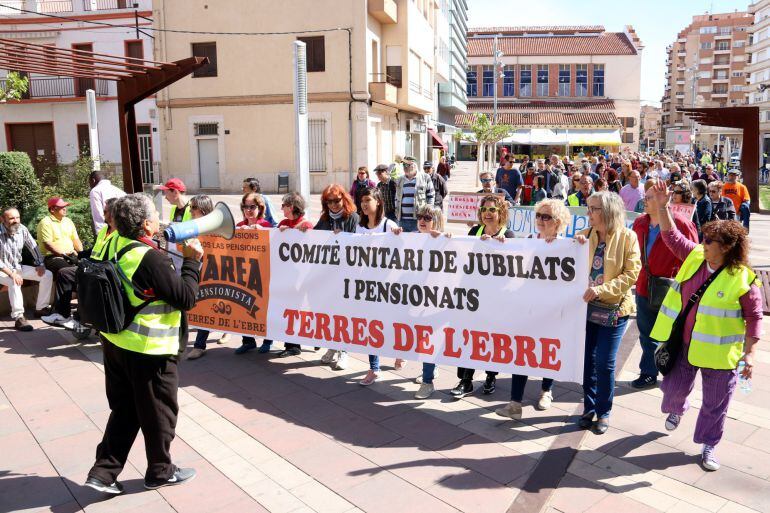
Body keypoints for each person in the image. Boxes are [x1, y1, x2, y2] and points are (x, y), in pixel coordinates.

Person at [85, 193, 201, 495]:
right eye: (155, 216)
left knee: (126, 409)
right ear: (147, 224)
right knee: (159, 412)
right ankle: (160, 472)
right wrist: (192, 262)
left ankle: (103, 473)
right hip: (149, 349)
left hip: (114, 342)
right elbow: (185, 298)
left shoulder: (111, 241)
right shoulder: (149, 257)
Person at [647, 180, 762, 472]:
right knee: (672, 392)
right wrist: (662, 207)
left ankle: (709, 444)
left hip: (720, 357)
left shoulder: (743, 278)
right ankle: (678, 408)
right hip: (684, 346)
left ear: (724, 248)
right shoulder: (697, 256)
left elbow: (754, 317)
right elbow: (672, 237)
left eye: (709, 240)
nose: (703, 243)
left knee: (715, 404)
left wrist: (750, 354)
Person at [496, 199, 570, 419]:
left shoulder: (568, 245)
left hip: (554, 309)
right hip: (528, 308)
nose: (540, 220)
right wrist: (497, 243)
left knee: (549, 350)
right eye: (538, 216)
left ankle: (546, 390)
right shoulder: (528, 240)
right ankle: (514, 403)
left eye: (546, 217)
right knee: (522, 352)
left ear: (558, 221)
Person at [575, 191, 641, 435]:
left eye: (593, 209)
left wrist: (601, 289)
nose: (588, 213)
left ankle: (604, 412)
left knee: (604, 361)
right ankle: (589, 408)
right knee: (587, 360)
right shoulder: (584, 236)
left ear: (608, 211)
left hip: (614, 309)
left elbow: (631, 274)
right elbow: (562, 257)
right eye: (588, 208)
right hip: (586, 309)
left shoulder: (628, 237)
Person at [631, 179, 698, 390]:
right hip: (644, 286)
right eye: (646, 197)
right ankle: (649, 372)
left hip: (671, 290)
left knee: (672, 336)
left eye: (649, 197)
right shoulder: (640, 222)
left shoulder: (680, 223)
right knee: (646, 333)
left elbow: (693, 257)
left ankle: (673, 373)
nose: (645, 200)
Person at [451, 194, 513, 398]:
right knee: (468, 337)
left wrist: (503, 249)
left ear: (501, 212)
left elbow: (514, 270)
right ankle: (465, 380)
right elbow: (462, 257)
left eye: (492, 210)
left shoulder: (509, 235)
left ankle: (490, 376)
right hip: (472, 296)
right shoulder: (474, 231)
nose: (488, 213)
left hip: (496, 299)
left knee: (491, 339)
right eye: (485, 209)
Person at [356, 187, 402, 386]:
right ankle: (374, 368)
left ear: (378, 202)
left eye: (368, 200)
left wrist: (399, 236)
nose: (364, 204)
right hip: (366, 286)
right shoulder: (359, 226)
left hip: (387, 286)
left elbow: (404, 253)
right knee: (370, 326)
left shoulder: (388, 225)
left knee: (390, 324)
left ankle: (399, 351)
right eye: (362, 201)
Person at [315, 185, 359, 368]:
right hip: (329, 275)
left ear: (344, 199)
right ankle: (333, 346)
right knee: (331, 313)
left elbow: (360, 241)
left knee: (344, 314)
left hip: (348, 275)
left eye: (337, 200)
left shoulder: (353, 218)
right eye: (329, 201)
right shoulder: (324, 219)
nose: (333, 204)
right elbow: (312, 236)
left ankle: (344, 351)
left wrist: (344, 238)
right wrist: (299, 230)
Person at [0, 207, 53, 331]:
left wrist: (40, 264)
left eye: (17, 217)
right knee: (14, 281)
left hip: (17, 267)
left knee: (47, 275)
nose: (16, 221)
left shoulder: (22, 229)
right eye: (12, 218)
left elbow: (33, 247)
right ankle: (19, 318)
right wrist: (11, 274)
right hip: (2, 270)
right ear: (2, 219)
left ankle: (41, 308)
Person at [276, 192, 315, 357]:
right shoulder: (284, 223)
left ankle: (314, 338)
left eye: (284, 205)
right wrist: (280, 232)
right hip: (287, 275)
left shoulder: (307, 225)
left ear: (291, 207)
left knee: (303, 308)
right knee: (289, 309)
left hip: (303, 276)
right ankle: (292, 345)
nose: (281, 208)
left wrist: (299, 232)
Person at [38, 197, 83, 329]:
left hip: (71, 256)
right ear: (52, 209)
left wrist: (82, 255)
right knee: (67, 273)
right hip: (53, 257)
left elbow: (76, 240)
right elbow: (48, 245)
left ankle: (80, 311)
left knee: (84, 270)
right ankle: (63, 313)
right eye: (62, 206)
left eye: (65, 206)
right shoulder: (45, 222)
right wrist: (65, 256)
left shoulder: (68, 221)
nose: (65, 208)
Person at [395, 159, 435, 232]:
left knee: (419, 241)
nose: (405, 167)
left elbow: (431, 196)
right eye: (404, 165)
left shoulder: (425, 177)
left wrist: (428, 214)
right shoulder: (400, 179)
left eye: (407, 165)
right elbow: (396, 198)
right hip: (402, 220)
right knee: (404, 242)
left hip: (419, 219)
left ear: (414, 165)